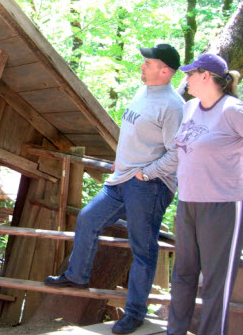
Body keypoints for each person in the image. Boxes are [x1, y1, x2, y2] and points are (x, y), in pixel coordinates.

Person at [45, 43, 184, 334]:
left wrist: (145, 175)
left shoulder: (173, 107)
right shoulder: (142, 91)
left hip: (149, 186)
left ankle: (134, 313)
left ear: (165, 71)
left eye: (148, 63)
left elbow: (176, 154)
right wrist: (121, 163)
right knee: (88, 218)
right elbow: (135, 136)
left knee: (143, 250)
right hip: (122, 179)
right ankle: (78, 276)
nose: (142, 66)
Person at [168, 54, 242, 335]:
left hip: (222, 205)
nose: (185, 79)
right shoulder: (189, 108)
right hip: (187, 202)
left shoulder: (232, 110)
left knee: (215, 282)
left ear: (206, 76)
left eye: (190, 74)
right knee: (183, 274)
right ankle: (175, 331)